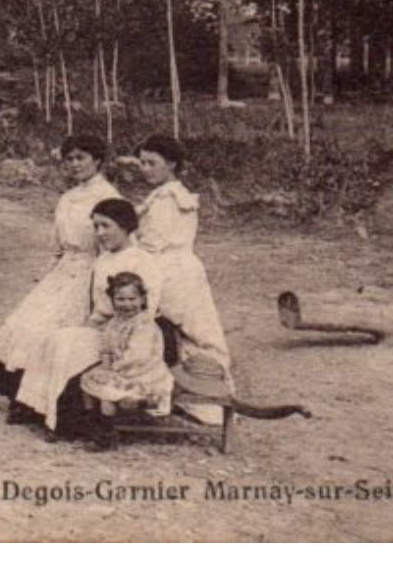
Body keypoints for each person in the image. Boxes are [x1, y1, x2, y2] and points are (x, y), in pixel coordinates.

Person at [0, 134, 118, 412]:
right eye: (69, 159)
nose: (74, 164)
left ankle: (50, 403)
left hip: (91, 272)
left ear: (97, 160)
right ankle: (21, 399)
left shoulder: (108, 197)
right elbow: (57, 245)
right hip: (64, 270)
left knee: (52, 330)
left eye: (81, 158)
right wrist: (48, 276)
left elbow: (112, 244)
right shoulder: (67, 197)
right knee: (23, 321)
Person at [13, 197, 162, 434]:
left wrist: (112, 333)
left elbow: (147, 309)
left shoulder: (142, 260)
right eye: (96, 227)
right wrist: (89, 326)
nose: (100, 233)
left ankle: (68, 423)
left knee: (67, 346)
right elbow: (98, 307)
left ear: (125, 226)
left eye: (106, 226)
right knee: (54, 338)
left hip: (130, 335)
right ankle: (41, 410)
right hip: (102, 327)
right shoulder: (102, 260)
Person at [133, 134, 234, 421]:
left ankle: (202, 399)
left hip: (170, 272)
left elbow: (152, 244)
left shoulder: (169, 199)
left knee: (186, 332)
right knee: (193, 331)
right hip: (182, 268)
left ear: (172, 164)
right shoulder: (167, 194)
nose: (145, 168)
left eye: (152, 163)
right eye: (142, 163)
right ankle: (183, 393)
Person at [79, 271, 174, 419]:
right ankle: (90, 417)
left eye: (132, 299)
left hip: (143, 371)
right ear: (113, 300)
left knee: (107, 394)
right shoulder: (115, 322)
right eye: (120, 299)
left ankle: (108, 425)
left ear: (142, 299)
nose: (127, 304)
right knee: (89, 378)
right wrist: (106, 367)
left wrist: (115, 370)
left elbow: (138, 356)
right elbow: (107, 347)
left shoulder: (144, 324)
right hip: (120, 368)